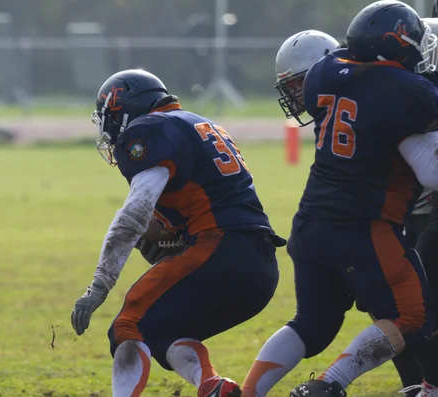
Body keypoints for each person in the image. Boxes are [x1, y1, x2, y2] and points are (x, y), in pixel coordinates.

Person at [240, 1, 438, 396]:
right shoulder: (406, 93)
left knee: (309, 322)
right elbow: (429, 170)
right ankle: (330, 385)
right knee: (411, 313)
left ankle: (247, 393)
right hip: (364, 226)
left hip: (310, 224)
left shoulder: (324, 76)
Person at [70, 68, 286, 397]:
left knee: (128, 325)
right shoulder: (198, 123)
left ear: (125, 109)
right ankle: (214, 387)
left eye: (110, 118)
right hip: (261, 266)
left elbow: (134, 214)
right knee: (162, 331)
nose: (109, 130)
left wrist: (99, 285)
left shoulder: (150, 131)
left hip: (219, 248)